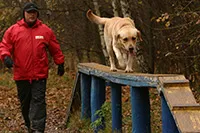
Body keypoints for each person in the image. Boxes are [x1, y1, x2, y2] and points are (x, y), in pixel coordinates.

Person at [0, 2, 65, 133]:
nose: (32, 15)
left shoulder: (45, 30)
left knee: (38, 101)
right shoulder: (13, 30)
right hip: (21, 74)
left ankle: (38, 129)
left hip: (39, 74)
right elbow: (4, 46)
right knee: (25, 103)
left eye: (34, 12)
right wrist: (6, 57)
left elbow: (55, 48)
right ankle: (30, 125)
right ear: (24, 14)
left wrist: (60, 63)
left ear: (37, 14)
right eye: (29, 12)